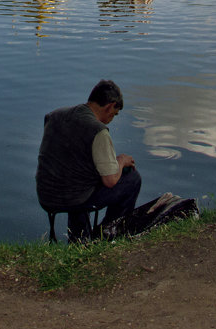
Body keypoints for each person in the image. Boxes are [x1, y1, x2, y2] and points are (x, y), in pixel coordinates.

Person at [35, 79, 141, 242]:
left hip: (46, 195)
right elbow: (110, 181)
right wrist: (120, 161)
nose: (112, 118)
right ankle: (108, 236)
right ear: (109, 106)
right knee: (132, 178)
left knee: (79, 176)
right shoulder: (98, 130)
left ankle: (79, 239)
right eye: (114, 114)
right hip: (72, 197)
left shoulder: (54, 116)